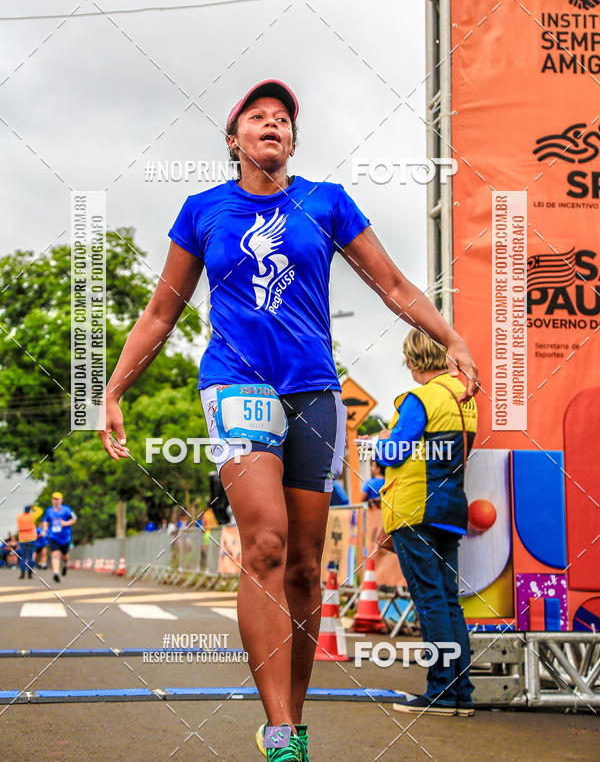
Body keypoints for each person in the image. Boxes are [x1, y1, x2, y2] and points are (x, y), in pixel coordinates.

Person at [98, 79, 479, 761]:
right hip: (235, 382)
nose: (272, 125)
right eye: (258, 117)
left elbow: (391, 286)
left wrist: (449, 338)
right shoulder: (202, 210)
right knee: (266, 546)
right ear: (233, 139)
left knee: (304, 568)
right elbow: (162, 313)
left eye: (283, 119)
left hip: (313, 390)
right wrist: (114, 392)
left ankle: (292, 715)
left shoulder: (325, 203)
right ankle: (280, 735)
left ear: (292, 142)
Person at [374, 328, 478, 716]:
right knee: (449, 600)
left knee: (429, 598)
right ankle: (460, 692)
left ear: (415, 362)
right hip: (452, 508)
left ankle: (440, 691)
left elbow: (396, 449)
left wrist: (381, 442)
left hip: (415, 509)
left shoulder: (420, 397)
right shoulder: (465, 398)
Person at [42, 492, 77, 583]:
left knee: (65, 556)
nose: (56, 501)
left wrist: (66, 523)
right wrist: (45, 528)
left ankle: (65, 565)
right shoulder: (49, 511)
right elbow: (45, 520)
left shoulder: (67, 510)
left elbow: (74, 519)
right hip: (53, 536)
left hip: (65, 537)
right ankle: (56, 573)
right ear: (52, 500)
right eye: (54, 499)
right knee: (55, 555)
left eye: (57, 499)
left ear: (61, 500)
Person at [16, 505, 37, 579]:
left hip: (22, 539)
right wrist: (33, 507)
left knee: (23, 557)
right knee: (30, 557)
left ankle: (22, 573)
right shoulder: (32, 516)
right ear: (29, 510)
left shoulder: (19, 517)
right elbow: (40, 511)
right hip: (31, 538)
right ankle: (30, 573)